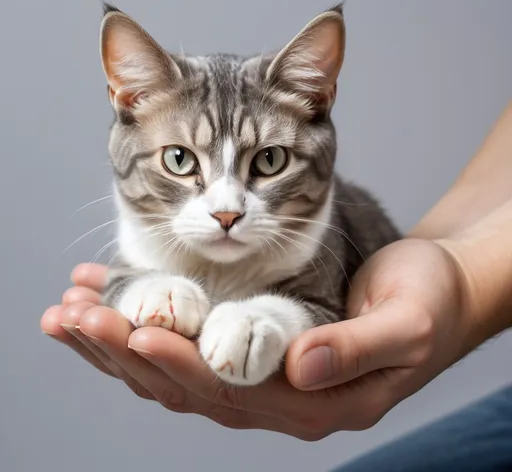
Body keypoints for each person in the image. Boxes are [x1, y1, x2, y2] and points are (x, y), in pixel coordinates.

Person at [41, 99, 512, 470]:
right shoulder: (149, 230)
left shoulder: (314, 238)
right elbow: (125, 277)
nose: (226, 208)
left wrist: (467, 285)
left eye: (267, 160)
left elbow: (324, 308)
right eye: (181, 159)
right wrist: (450, 252)